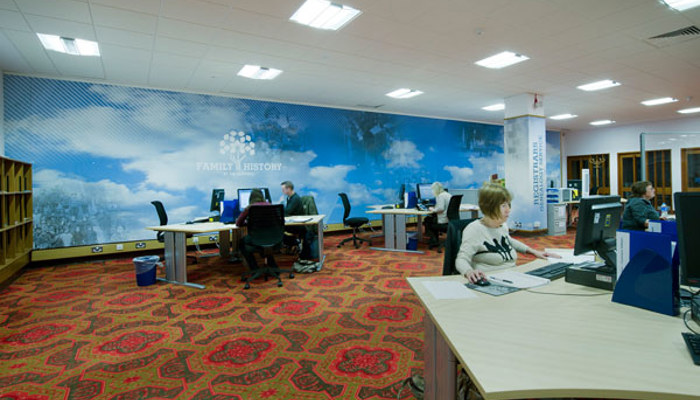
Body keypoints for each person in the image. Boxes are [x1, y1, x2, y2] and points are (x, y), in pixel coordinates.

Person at [456, 183, 560, 283]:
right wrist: (469, 272)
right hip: (490, 279)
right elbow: (461, 259)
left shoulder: (502, 226)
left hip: (512, 276)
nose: (508, 210)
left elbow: (509, 241)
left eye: (509, 205)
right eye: (503, 206)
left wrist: (534, 252)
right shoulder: (474, 230)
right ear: (490, 207)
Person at [236, 189, 273, 270]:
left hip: (256, 238)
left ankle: (254, 268)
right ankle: (273, 265)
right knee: (266, 243)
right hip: (273, 237)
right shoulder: (271, 206)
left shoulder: (249, 208)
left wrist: (248, 223)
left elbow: (238, 223)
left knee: (242, 243)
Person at [426, 182, 451, 249]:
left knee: (427, 221)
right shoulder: (448, 195)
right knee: (430, 219)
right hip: (450, 221)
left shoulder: (440, 196)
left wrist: (433, 210)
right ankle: (434, 240)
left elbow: (441, 208)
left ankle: (434, 241)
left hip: (443, 222)